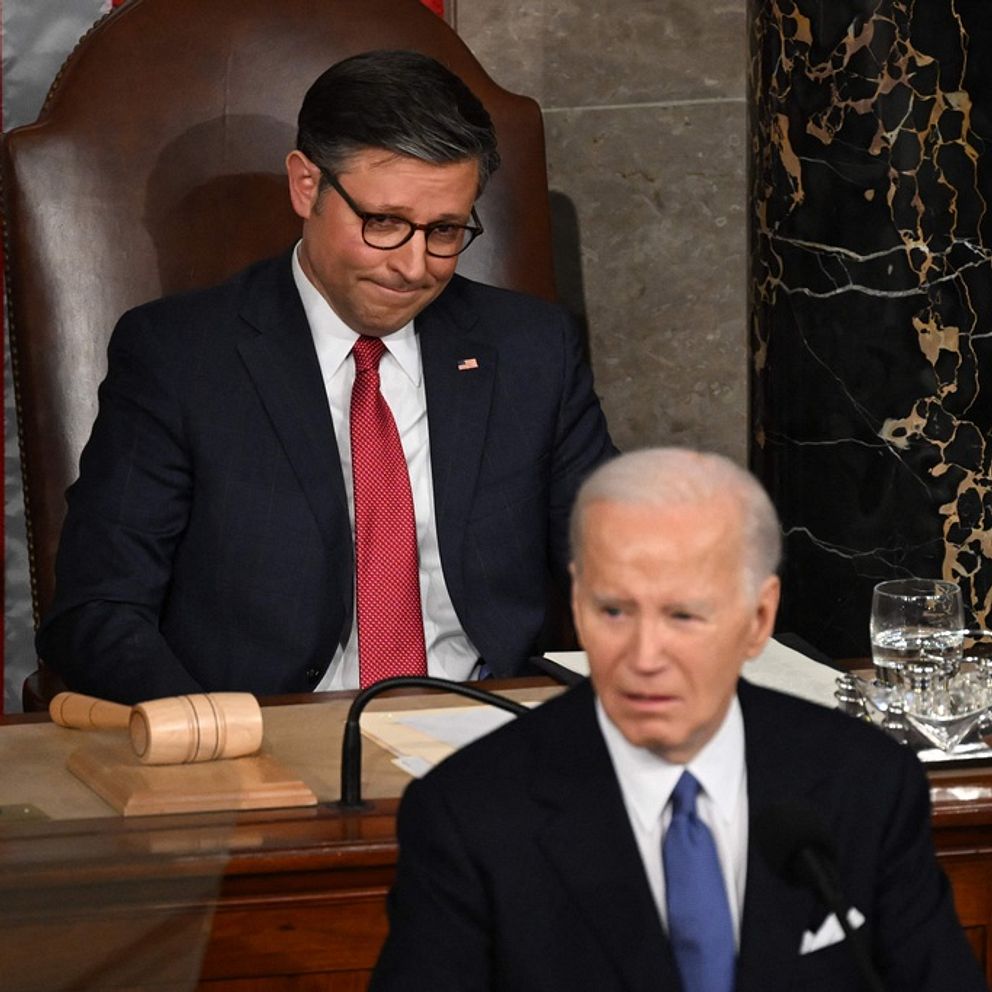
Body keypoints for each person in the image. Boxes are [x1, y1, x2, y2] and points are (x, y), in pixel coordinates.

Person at [36, 50, 614, 705]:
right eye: (384, 222)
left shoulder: (531, 349)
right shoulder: (179, 357)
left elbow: (621, 565)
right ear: (306, 186)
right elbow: (97, 611)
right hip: (262, 735)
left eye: (446, 230)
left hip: (489, 724)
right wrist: (212, 733)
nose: (414, 266)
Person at [370, 447, 986, 992]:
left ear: (758, 619)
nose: (644, 658)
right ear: (578, 605)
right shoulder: (469, 815)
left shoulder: (866, 785)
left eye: (684, 616)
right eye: (614, 612)